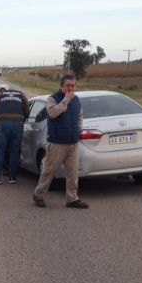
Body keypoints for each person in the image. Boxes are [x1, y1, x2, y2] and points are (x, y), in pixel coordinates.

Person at [33, 73, 89, 208]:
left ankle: (72, 199)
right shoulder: (53, 99)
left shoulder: (76, 100)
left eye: (72, 86)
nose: (70, 88)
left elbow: (79, 116)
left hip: (73, 142)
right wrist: (65, 100)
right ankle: (38, 194)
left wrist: (78, 130)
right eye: (67, 85)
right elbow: (53, 113)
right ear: (61, 86)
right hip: (57, 142)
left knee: (73, 173)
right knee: (49, 170)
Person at [0, 85, 29, 184]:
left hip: (3, 124)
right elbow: (27, 112)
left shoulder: (0, 95)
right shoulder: (21, 94)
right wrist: (21, 120)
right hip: (18, 124)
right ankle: (12, 177)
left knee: (0, 151)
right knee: (14, 151)